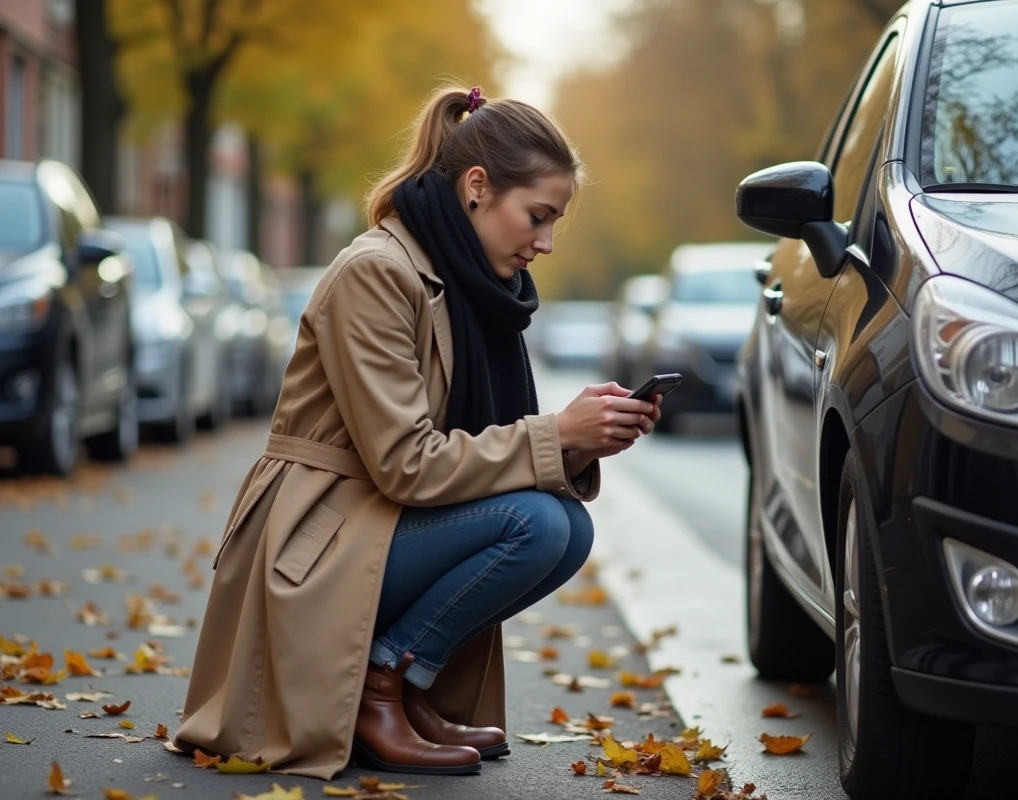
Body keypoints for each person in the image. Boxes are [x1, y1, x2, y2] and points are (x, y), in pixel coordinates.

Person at [173, 85, 660, 780]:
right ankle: (380, 688)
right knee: (540, 526)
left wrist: (581, 440)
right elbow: (407, 463)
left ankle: (399, 683)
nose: (545, 243)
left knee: (567, 529)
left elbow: (459, 453)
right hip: (321, 535)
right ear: (477, 188)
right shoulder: (375, 273)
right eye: (537, 217)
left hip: (375, 521)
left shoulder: (467, 281)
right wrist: (555, 434)